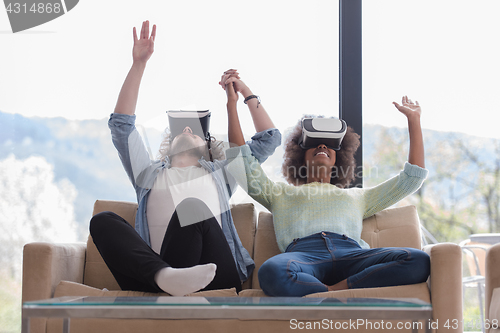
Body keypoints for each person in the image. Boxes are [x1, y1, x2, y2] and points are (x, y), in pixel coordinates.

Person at [90, 21, 281, 296]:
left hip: (216, 275)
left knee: (192, 207)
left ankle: (174, 283)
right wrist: (138, 64)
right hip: (157, 275)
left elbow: (269, 138)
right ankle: (165, 277)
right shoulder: (148, 174)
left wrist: (239, 95)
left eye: (194, 131)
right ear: (167, 146)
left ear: (208, 147)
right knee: (103, 220)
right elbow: (122, 127)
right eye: (180, 130)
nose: (187, 129)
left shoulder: (222, 174)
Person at [225, 93, 430, 297]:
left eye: (329, 144)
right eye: (314, 143)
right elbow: (241, 164)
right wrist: (233, 103)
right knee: (270, 272)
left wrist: (414, 120)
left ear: (338, 159)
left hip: (352, 255)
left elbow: (410, 180)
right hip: (303, 256)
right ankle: (336, 293)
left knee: (418, 260)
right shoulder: (279, 193)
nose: (322, 146)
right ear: (300, 157)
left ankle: (332, 292)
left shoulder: (358, 197)